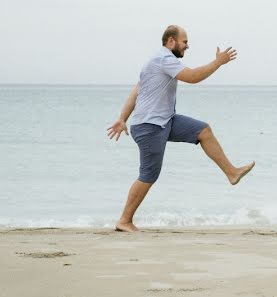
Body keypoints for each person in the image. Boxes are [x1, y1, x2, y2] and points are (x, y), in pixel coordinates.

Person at [106, 25, 255, 232]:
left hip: (165, 120)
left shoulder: (156, 61)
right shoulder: (164, 59)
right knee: (149, 175)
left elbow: (136, 91)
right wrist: (218, 63)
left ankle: (231, 172)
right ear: (171, 42)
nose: (187, 45)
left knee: (203, 131)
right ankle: (124, 220)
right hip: (149, 126)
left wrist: (122, 118)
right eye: (184, 41)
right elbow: (192, 77)